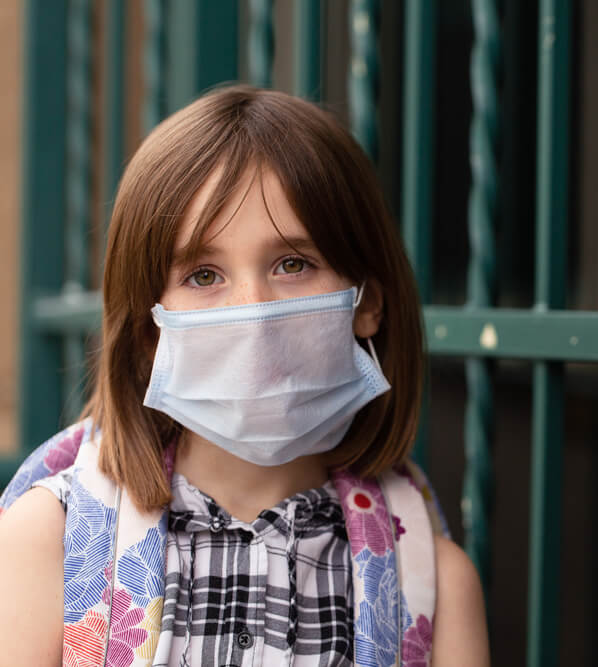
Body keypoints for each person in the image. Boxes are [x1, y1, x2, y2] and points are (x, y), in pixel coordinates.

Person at [0, 86, 489, 667]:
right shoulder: (48, 542)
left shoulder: (433, 584)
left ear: (366, 303)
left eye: (293, 264)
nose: (254, 312)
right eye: (204, 275)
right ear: (150, 327)